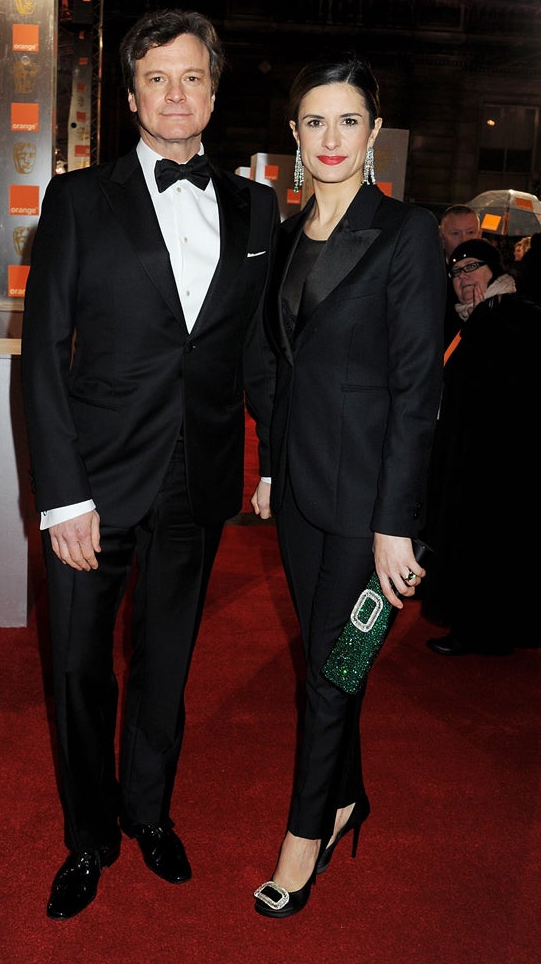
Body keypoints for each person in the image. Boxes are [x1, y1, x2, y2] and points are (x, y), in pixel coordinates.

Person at [20, 8, 279, 921]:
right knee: (81, 667)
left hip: (196, 481)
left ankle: (149, 813)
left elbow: (256, 350)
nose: (177, 94)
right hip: (94, 482)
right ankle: (88, 837)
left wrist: (272, 457)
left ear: (214, 91)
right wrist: (62, 498)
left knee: (167, 663)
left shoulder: (256, 206)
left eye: (193, 77)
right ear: (131, 96)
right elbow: (45, 354)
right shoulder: (79, 198)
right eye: (158, 78)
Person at [250, 53, 446, 919]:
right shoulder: (289, 234)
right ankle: (346, 795)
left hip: (372, 508)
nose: (332, 138)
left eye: (349, 121)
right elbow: (274, 364)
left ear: (374, 135)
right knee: (333, 663)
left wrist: (396, 523)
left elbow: (417, 390)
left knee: (334, 670)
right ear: (295, 136)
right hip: (297, 493)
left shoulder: (406, 233)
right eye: (315, 122)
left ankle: (304, 839)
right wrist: (265, 466)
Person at [422, 238, 541, 655]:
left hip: (501, 462)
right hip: (474, 458)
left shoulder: (511, 311)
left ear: (494, 271)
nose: (463, 278)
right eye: (456, 272)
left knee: (491, 548)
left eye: (473, 267)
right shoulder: (467, 319)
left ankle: (481, 630)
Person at [438, 204, 482, 345]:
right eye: (455, 233)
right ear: (442, 238)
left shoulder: (496, 278)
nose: (464, 240)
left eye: (470, 232)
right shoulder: (428, 279)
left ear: (479, 235)